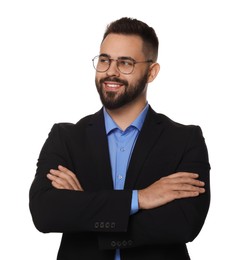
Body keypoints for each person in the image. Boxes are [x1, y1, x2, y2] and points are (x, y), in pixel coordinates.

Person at [29, 17, 210, 260]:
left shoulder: (185, 139)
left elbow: (184, 223)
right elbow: (45, 213)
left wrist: (85, 209)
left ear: (151, 72)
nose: (111, 71)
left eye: (125, 63)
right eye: (104, 60)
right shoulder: (65, 138)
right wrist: (141, 198)